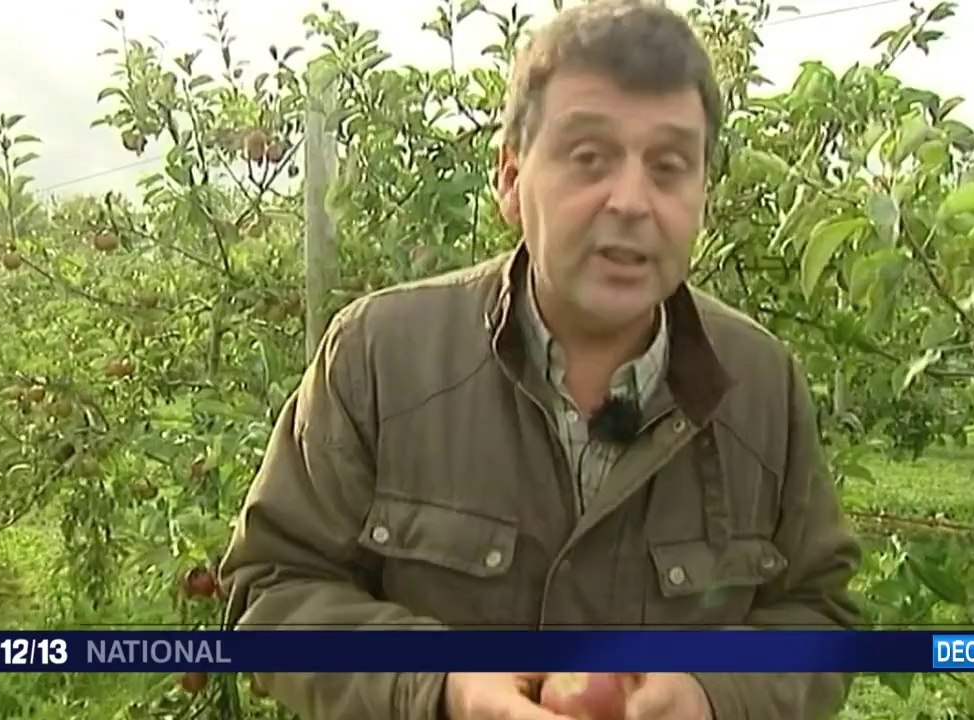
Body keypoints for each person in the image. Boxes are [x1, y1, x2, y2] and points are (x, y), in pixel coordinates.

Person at [218, 0, 862, 718]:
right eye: (589, 158)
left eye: (670, 166)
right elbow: (273, 590)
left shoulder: (761, 386)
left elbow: (819, 614)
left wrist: (715, 690)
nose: (631, 201)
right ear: (510, 179)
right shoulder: (380, 356)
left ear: (702, 195)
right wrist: (445, 684)